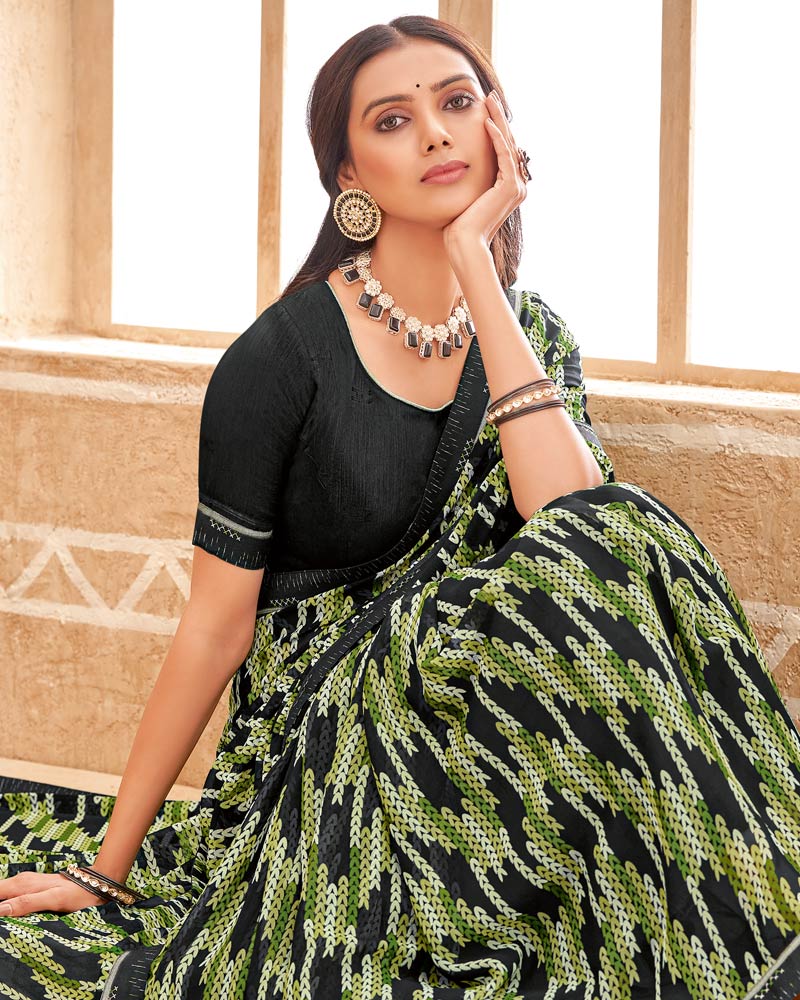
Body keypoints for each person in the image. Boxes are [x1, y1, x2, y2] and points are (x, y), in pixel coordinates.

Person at [1, 14, 799, 1000]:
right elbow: (213, 627)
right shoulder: (278, 358)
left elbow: (576, 524)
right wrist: (105, 866)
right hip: (331, 724)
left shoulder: (530, 336)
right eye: (392, 119)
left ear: (499, 130)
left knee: (626, 527)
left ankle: (734, 917)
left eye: (457, 103)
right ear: (348, 174)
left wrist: (475, 262)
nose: (434, 133)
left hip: (482, 709)